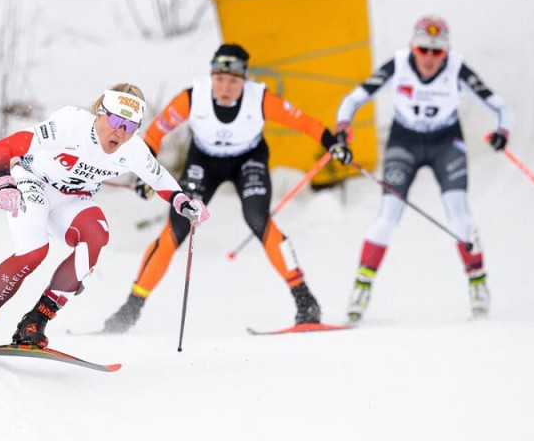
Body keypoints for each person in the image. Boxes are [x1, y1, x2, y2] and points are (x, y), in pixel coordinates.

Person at [102, 43, 353, 333]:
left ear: (244, 79)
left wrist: (333, 143)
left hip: (249, 160)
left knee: (258, 219)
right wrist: (144, 174)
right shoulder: (192, 98)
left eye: (233, 81)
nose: (225, 87)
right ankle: (131, 308)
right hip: (204, 162)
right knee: (178, 226)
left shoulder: (260, 99)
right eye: (219, 79)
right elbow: (156, 131)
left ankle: (305, 300)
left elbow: (303, 122)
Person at [0, 84, 210, 358]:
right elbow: (2, 148)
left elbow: (159, 179)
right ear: (100, 113)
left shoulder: (133, 149)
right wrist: (4, 182)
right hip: (34, 182)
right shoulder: (70, 124)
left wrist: (183, 202)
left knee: (97, 235)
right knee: (35, 252)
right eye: (117, 121)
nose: (120, 132)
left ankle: (34, 322)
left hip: (73, 199)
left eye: (130, 127)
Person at [336, 15, 512, 322]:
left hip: (446, 143)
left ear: (446, 52)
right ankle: (361, 289)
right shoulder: (400, 63)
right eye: (423, 50)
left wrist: (502, 132)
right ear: (412, 47)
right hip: (404, 142)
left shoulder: (457, 68)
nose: (429, 58)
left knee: (459, 213)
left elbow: (500, 107)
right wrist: (342, 128)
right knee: (387, 216)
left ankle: (477, 282)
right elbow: (353, 99)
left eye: (437, 52)